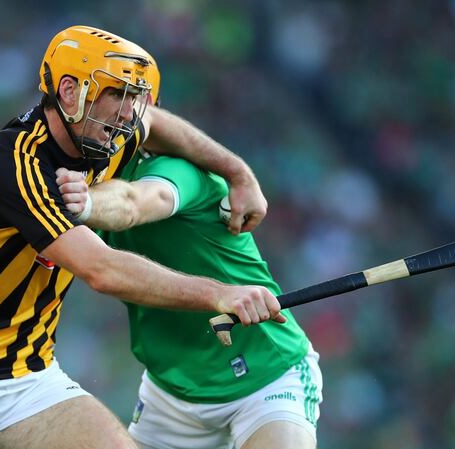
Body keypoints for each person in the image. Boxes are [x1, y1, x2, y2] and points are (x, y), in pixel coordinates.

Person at [0, 25, 283, 449]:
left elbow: (155, 123)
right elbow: (102, 270)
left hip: (28, 376)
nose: (128, 114)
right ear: (69, 91)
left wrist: (238, 173)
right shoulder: (14, 162)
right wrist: (218, 293)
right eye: (118, 94)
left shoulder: (106, 135)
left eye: (135, 97)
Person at [56, 62, 322, 449]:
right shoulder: (83, 173)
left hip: (267, 377)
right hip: (171, 393)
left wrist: (86, 203)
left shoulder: (176, 171)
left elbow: (134, 203)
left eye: (126, 100)